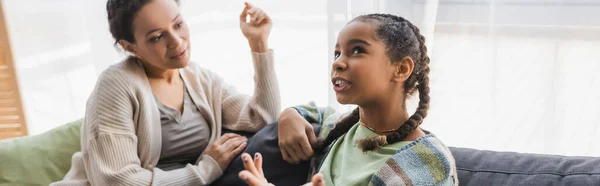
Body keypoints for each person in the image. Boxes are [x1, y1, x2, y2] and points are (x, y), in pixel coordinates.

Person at [51, 0, 280, 185]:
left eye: (178, 24)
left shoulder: (199, 79)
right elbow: (118, 180)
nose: (177, 41)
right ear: (129, 47)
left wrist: (258, 43)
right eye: (157, 37)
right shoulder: (116, 85)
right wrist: (206, 170)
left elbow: (262, 119)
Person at [239, 14, 458, 186]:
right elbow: (317, 113)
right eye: (337, 54)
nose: (337, 63)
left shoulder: (427, 163)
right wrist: (290, 114)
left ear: (401, 69)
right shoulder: (341, 130)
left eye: (357, 50)